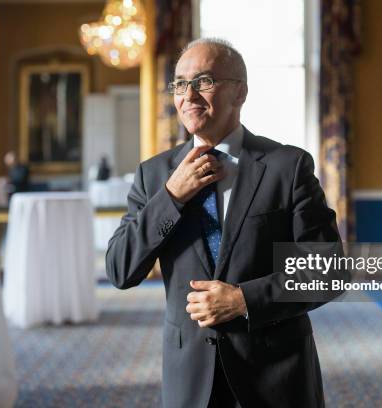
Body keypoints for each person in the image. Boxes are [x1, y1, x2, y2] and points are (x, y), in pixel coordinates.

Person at [106, 38, 346, 408]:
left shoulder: (288, 166)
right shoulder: (153, 176)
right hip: (190, 377)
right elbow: (121, 269)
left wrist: (242, 300)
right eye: (180, 84)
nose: (189, 95)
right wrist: (171, 197)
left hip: (276, 375)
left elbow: (329, 270)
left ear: (240, 93)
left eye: (204, 81)